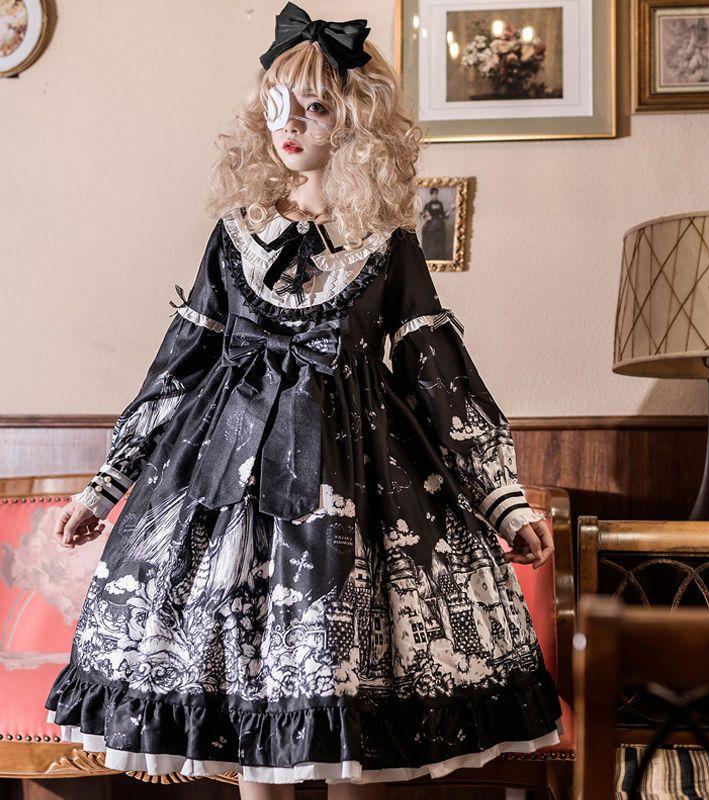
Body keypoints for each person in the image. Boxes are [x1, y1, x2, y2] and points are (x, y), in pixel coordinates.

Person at [44, 3, 563, 797]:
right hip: (228, 487)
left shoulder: (387, 242)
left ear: (354, 120)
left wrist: (503, 502)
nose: (290, 125)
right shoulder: (234, 234)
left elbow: (437, 372)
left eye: (315, 107)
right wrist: (104, 488)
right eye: (277, 105)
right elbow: (177, 369)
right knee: (247, 708)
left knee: (347, 709)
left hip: (355, 488)